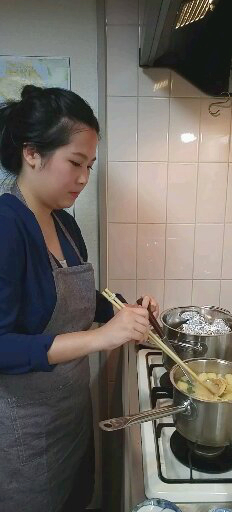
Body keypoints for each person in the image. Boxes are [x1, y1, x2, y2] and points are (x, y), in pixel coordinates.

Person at [0, 85, 159, 512]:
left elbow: (77, 301)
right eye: (75, 163)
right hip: (23, 432)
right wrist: (101, 338)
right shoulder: (6, 226)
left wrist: (124, 310)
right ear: (32, 153)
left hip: (69, 414)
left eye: (89, 165)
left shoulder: (65, 224)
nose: (84, 178)